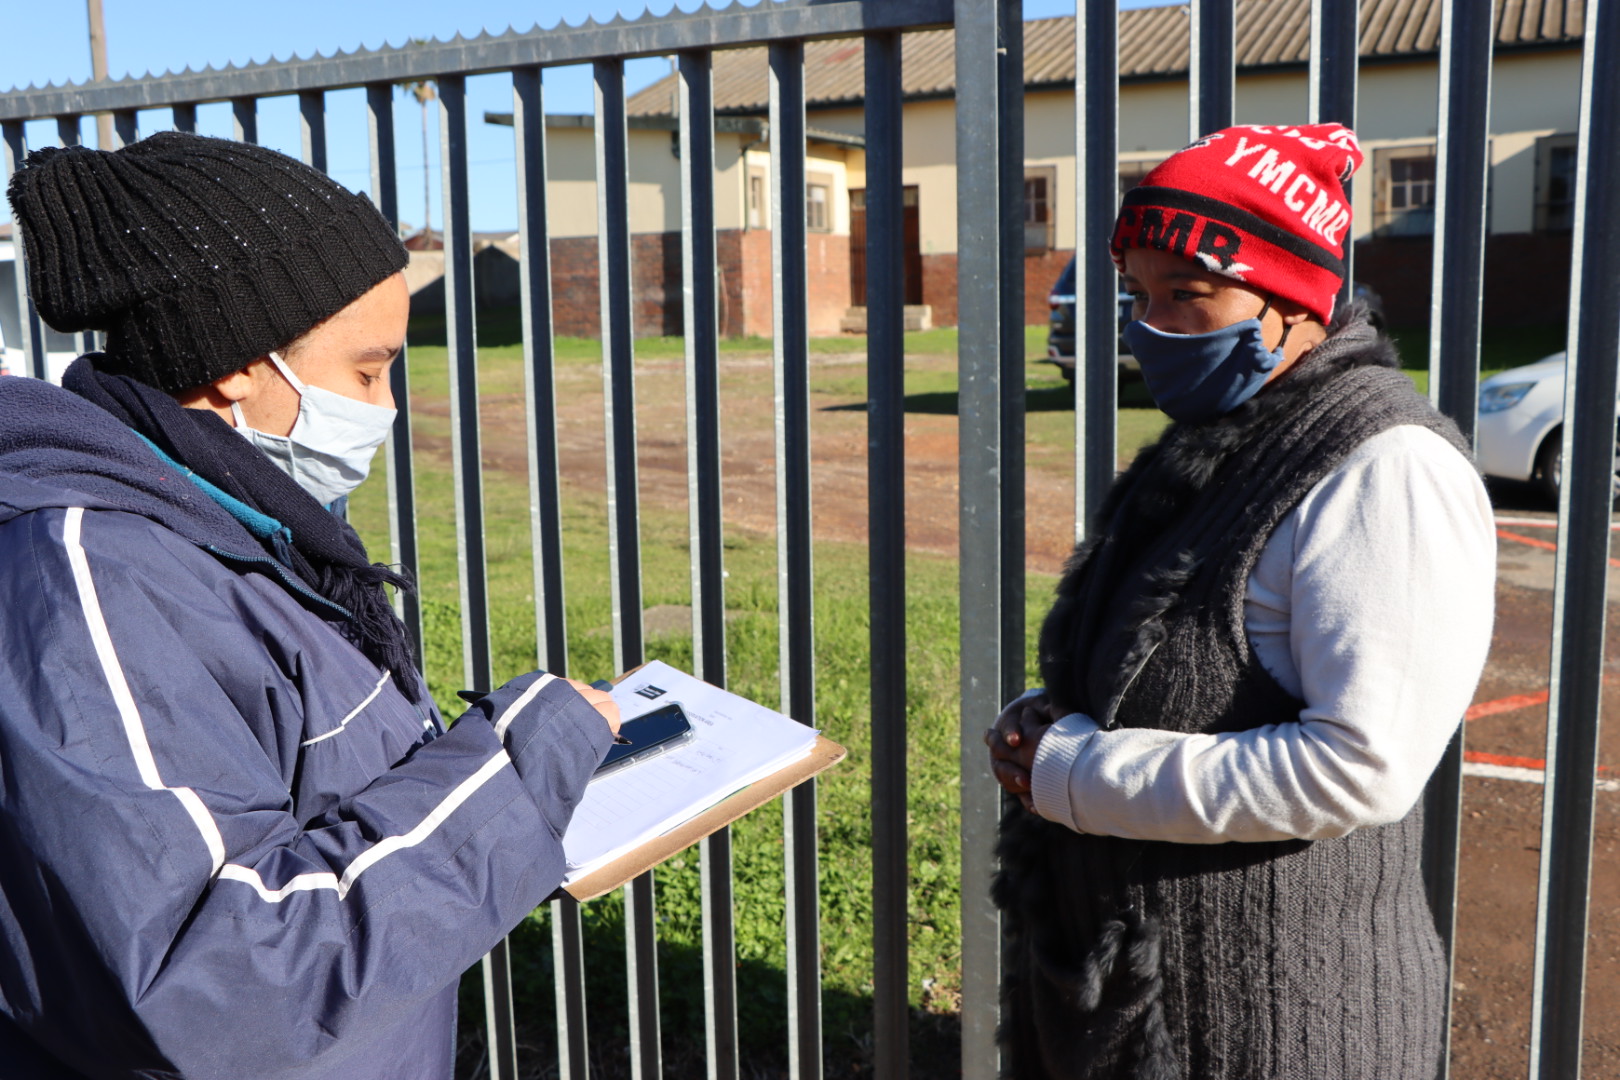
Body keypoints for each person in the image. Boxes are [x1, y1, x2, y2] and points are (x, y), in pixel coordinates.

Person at [0, 132, 620, 1078]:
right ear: (238, 365)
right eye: (369, 371)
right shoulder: (86, 579)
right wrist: (518, 772)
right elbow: (213, 984)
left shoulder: (241, 517)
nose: (387, 405)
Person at [985, 124, 1495, 1079]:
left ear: (1295, 296)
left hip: (1279, 1024)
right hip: (1142, 1005)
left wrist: (1077, 776)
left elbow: (1360, 768)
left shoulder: (1390, 471)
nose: (1155, 326)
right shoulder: (1222, 439)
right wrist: (1054, 720)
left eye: (1191, 295)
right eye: (1139, 296)